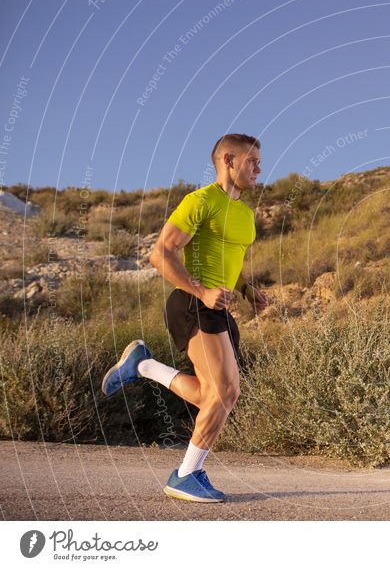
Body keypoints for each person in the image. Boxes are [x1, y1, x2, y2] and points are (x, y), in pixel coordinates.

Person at [101, 133, 268, 503]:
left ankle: (142, 367)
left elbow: (227, 263)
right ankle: (186, 475)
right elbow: (161, 255)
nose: (259, 168)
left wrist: (247, 290)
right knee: (227, 392)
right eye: (252, 160)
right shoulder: (200, 200)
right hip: (192, 303)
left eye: (259, 161)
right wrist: (202, 291)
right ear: (228, 160)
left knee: (212, 395)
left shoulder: (244, 213)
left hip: (218, 307)